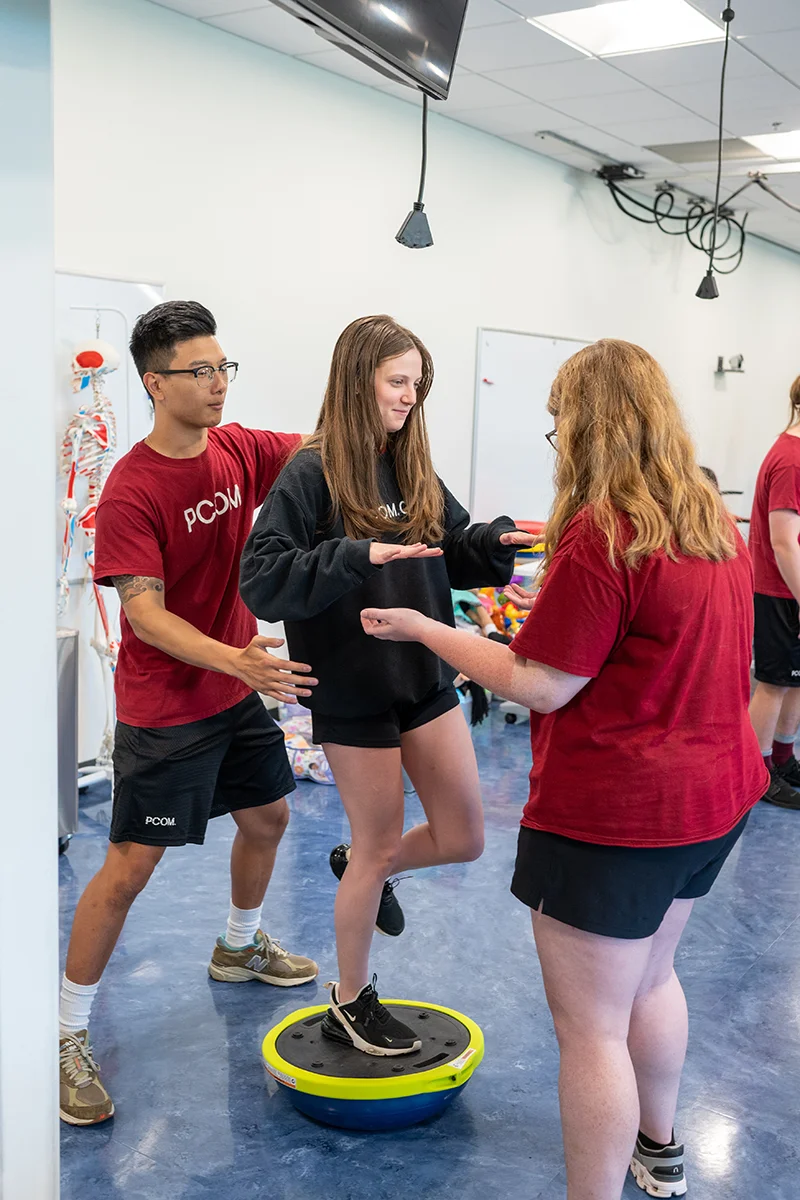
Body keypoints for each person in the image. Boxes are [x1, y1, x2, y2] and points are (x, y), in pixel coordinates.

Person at [359, 339, 767, 1199]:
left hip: (619, 818)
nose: (556, 440)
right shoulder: (702, 512)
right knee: (653, 978)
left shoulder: (604, 528)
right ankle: (659, 1153)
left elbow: (539, 685)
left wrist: (428, 630)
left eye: (557, 425)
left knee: (590, 1030)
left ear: (588, 424)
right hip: (714, 800)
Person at [239, 314, 531, 1056]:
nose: (409, 397)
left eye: (417, 385)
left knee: (463, 837)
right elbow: (264, 581)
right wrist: (355, 554)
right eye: (398, 382)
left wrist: (490, 543)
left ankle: (361, 871)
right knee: (374, 847)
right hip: (353, 688)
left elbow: (449, 549)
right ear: (357, 378)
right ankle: (350, 997)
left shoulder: (411, 465)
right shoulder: (310, 473)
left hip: (423, 680)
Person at [59, 301, 319, 1127]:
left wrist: (376, 397)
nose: (217, 384)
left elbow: (320, 451)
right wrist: (238, 658)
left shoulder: (239, 447)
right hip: (168, 705)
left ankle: (238, 945)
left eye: (223, 368)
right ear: (154, 384)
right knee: (133, 867)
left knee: (270, 817)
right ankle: (64, 1033)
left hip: (233, 688)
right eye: (200, 372)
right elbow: (145, 614)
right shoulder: (134, 486)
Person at [747, 376, 800, 811]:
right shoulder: (790, 460)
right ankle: (757, 773)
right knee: (773, 683)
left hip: (794, 590)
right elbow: (784, 543)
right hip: (780, 591)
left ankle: (783, 759)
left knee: (796, 683)